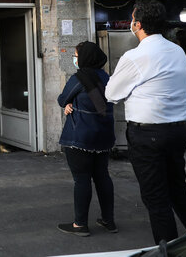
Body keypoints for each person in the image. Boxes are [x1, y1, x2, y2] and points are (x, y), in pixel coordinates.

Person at [105, 0, 186, 244]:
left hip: (147, 136)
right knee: (178, 192)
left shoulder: (136, 56)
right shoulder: (177, 50)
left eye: (132, 19)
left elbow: (111, 94)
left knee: (156, 198)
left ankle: (166, 249)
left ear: (137, 24)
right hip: (178, 132)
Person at [56, 41, 116, 237]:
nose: (75, 59)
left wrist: (69, 102)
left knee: (82, 180)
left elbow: (62, 98)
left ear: (83, 58)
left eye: (76, 55)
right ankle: (108, 220)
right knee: (102, 177)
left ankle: (80, 224)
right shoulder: (107, 78)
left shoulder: (79, 78)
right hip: (104, 137)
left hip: (80, 138)